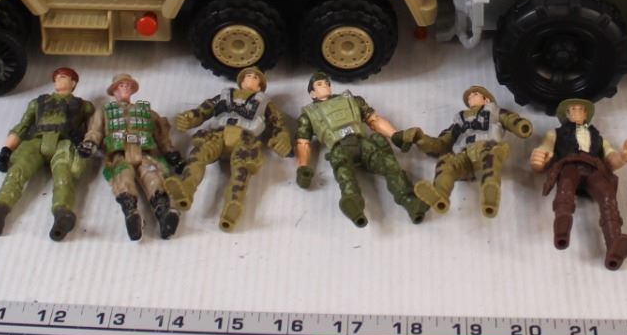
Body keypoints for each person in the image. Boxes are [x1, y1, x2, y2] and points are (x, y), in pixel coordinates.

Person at [0, 68, 95, 241]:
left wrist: (87, 144)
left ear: (73, 83)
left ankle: (62, 215)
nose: (58, 80)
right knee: (17, 170)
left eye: (63, 77)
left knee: (63, 174)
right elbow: (21, 127)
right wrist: (6, 150)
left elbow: (93, 129)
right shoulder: (38, 103)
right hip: (36, 140)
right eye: (56, 78)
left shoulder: (84, 106)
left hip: (64, 141)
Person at [293, 72, 426, 228]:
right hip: (339, 148)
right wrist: (303, 167)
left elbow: (374, 120)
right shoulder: (309, 114)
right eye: (319, 84)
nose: (325, 86)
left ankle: (410, 200)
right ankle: (354, 207)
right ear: (312, 93)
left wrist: (395, 135)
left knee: (390, 165)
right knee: (345, 177)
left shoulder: (352, 100)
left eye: (327, 83)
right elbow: (303, 142)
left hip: (362, 143)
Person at [165, 66, 289, 232]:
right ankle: (186, 189)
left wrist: (282, 138)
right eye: (248, 76)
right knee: (197, 156)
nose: (250, 79)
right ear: (241, 81)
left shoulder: (265, 104)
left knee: (241, 172)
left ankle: (233, 205)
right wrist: (189, 118)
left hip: (245, 138)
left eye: (255, 78)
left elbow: (278, 123)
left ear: (260, 87)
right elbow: (204, 110)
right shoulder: (223, 96)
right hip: (219, 134)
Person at [530, 98, 627, 270]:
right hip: (569, 165)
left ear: (586, 114)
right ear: (566, 115)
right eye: (572, 109)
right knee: (566, 184)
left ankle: (614, 243)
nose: (576, 112)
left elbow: (610, 160)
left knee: (608, 194)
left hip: (593, 169)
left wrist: (623, 157)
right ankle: (562, 229)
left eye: (580, 109)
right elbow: (545, 149)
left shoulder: (598, 137)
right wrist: (538, 160)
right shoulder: (556, 133)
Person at [407, 85, 532, 219]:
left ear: (486, 100)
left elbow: (510, 119)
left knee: (490, 161)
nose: (470, 97)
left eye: (475, 94)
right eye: (469, 97)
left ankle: (490, 196)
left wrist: (521, 126)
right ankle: (440, 195)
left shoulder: (494, 111)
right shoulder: (460, 120)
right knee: (446, 162)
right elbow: (442, 143)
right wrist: (421, 140)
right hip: (464, 155)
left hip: (487, 148)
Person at [90, 73, 180, 241]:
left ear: (132, 90)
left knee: (153, 176)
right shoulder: (104, 112)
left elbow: (161, 135)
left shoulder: (147, 112)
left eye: (128, 85)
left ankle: (164, 212)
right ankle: (131, 213)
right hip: (119, 154)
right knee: (123, 178)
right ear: (114, 91)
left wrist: (170, 152)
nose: (125, 87)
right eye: (121, 85)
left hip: (144, 152)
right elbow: (95, 131)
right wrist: (89, 143)